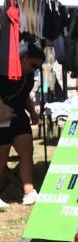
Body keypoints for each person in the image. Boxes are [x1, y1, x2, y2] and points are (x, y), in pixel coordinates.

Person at [0, 43, 44, 208]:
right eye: (33, 65)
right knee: (1, 156)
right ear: (24, 58)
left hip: (18, 115)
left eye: (37, 68)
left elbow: (24, 96)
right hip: (2, 116)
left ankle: (29, 192)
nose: (34, 70)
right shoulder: (4, 70)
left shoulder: (29, 76)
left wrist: (32, 112)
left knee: (27, 151)